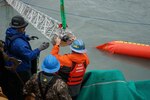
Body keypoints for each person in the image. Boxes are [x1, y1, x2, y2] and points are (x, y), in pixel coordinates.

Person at [4, 15, 50, 100]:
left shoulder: (10, 32)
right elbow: (29, 56)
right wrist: (40, 49)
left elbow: (17, 36)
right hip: (21, 68)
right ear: (20, 28)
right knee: (25, 84)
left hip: (12, 62)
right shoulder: (19, 44)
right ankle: (25, 95)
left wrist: (28, 37)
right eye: (23, 27)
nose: (24, 29)